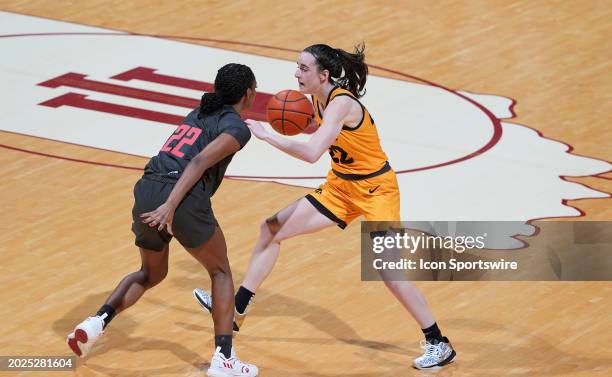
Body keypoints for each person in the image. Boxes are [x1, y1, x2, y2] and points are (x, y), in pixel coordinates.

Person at [194, 44, 456, 370]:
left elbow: (312, 152)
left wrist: (266, 136)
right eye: (297, 66)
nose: (296, 73)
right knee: (271, 228)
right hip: (341, 188)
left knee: (388, 271)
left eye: (303, 68)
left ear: (324, 74)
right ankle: (237, 309)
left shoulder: (341, 104)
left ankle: (438, 342)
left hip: (376, 190)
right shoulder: (317, 100)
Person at [67, 63, 259, 377]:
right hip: (179, 197)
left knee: (151, 273)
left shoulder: (200, 110)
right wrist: (171, 205)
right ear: (248, 93)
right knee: (221, 271)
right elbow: (197, 162)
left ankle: (95, 322)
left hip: (147, 187)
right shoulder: (237, 128)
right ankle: (224, 359)